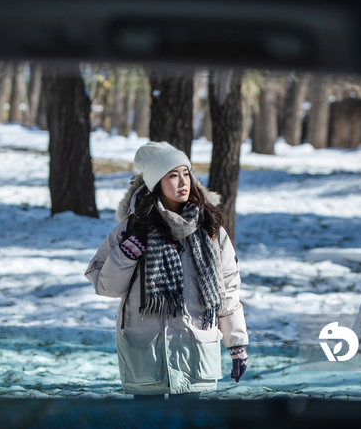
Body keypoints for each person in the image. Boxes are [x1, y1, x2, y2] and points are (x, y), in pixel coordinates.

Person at [85, 141, 249, 399]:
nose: (183, 182)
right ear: (156, 183)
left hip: (196, 353)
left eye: (186, 173)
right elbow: (105, 286)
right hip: (147, 355)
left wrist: (236, 343)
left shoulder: (210, 229)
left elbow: (227, 288)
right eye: (172, 175)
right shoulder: (133, 229)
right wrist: (126, 254)